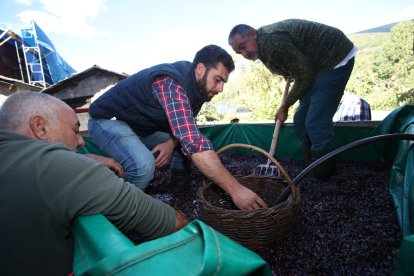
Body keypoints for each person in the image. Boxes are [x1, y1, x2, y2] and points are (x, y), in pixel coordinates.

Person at [0, 92, 188, 275]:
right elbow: (167, 221)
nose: (81, 141)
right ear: (40, 127)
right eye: (75, 131)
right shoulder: (55, 165)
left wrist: (84, 158)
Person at [88, 44, 267, 210]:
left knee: (181, 149)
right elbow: (194, 143)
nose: (220, 89)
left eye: (223, 83)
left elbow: (184, 131)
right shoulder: (170, 82)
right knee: (143, 165)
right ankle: (122, 210)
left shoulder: (199, 91)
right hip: (107, 121)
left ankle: (177, 195)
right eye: (218, 80)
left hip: (138, 127)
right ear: (200, 69)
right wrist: (236, 190)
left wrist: (170, 143)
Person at [228, 19, 357, 180]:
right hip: (314, 68)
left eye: (243, 46)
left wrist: (285, 105)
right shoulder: (262, 49)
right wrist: (287, 71)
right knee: (301, 119)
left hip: (335, 58)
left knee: (316, 121)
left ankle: (325, 176)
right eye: (239, 52)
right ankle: (312, 163)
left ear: (253, 33)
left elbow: (305, 75)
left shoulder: (271, 41)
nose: (244, 53)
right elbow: (296, 67)